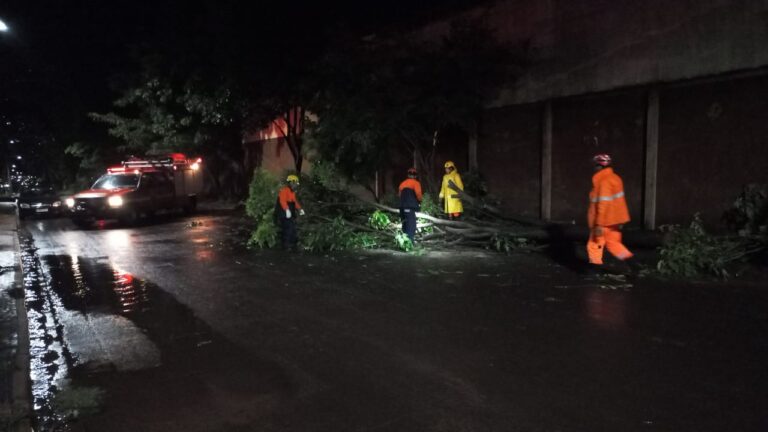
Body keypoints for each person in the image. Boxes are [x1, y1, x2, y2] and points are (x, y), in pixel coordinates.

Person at [586, 154, 638, 273]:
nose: (594, 168)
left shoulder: (603, 181)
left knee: (594, 244)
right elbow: (619, 202)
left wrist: (598, 224)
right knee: (614, 244)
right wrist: (621, 220)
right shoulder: (615, 178)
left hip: (603, 221)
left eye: (595, 165)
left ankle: (594, 270)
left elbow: (603, 203)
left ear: (600, 166)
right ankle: (633, 263)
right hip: (615, 220)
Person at [275, 174, 305, 251]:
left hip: (289, 215)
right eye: (295, 183)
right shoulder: (284, 191)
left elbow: (294, 202)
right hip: (283, 214)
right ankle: (286, 246)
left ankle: (292, 245)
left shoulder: (292, 192)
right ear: (291, 182)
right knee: (288, 229)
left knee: (292, 228)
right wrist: (287, 210)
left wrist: (300, 209)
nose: (296, 186)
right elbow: (282, 201)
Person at [398, 167, 423, 242]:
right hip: (409, 207)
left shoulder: (402, 183)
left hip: (402, 207)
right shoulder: (416, 183)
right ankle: (409, 244)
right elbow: (418, 194)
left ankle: (403, 242)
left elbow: (399, 195)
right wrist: (420, 201)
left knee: (404, 225)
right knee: (411, 226)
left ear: (408, 175)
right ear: (416, 176)